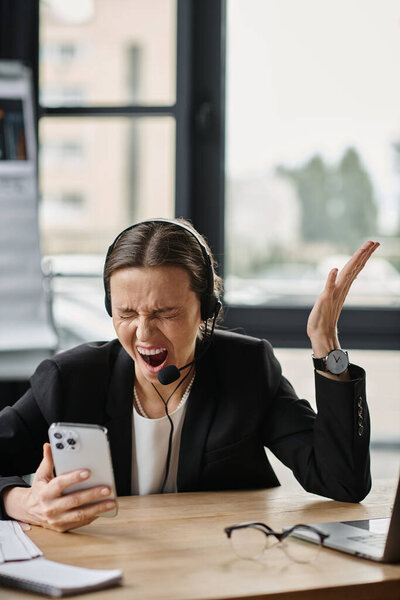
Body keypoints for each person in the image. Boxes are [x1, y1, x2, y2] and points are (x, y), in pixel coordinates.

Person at [0, 218, 379, 532]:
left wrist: (326, 345)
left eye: (165, 313)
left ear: (206, 310)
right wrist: (19, 501)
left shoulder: (246, 368)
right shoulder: (70, 378)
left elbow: (342, 481)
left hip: (220, 568)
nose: (144, 334)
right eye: (127, 313)